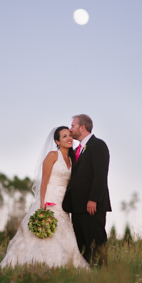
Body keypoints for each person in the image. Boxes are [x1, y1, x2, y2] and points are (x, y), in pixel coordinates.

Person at [0, 126, 89, 269]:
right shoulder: (53, 155)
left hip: (63, 202)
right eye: (64, 136)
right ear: (57, 141)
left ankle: (64, 264)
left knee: (63, 231)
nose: (69, 139)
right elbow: (45, 179)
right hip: (50, 197)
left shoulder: (73, 159)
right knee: (43, 232)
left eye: (70, 136)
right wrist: (42, 204)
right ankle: (34, 262)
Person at [62, 114, 111, 266]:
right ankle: (87, 274)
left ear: (82, 127)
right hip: (77, 207)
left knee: (96, 242)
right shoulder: (77, 150)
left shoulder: (98, 145)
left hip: (92, 206)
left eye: (72, 126)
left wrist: (93, 199)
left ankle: (103, 273)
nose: (70, 130)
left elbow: (100, 175)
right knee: (82, 245)